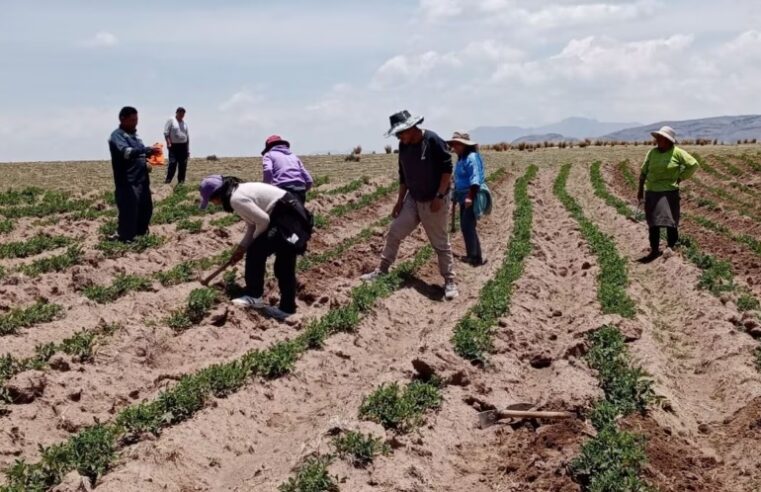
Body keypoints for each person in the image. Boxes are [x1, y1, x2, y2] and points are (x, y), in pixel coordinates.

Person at [361, 110, 458, 300]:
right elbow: (403, 176)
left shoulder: (432, 140)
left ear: (412, 128)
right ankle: (382, 270)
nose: (399, 137)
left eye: (401, 133)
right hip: (413, 199)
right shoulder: (403, 147)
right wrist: (399, 202)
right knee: (395, 232)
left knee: (440, 243)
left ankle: (449, 281)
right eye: (397, 134)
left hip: (434, 200)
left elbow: (447, 169)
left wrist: (439, 196)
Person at [198, 175, 313, 320]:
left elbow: (263, 220)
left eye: (211, 200)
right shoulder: (238, 191)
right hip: (291, 215)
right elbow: (253, 225)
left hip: (286, 218)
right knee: (284, 265)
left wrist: (252, 244)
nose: (213, 204)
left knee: (256, 252)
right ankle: (287, 308)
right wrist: (241, 247)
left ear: (217, 195)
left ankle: (254, 295)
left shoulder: (236, 199)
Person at [637, 126, 699, 262]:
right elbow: (643, 172)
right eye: (658, 138)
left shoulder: (677, 153)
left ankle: (670, 247)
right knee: (653, 222)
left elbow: (693, 164)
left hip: (669, 191)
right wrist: (640, 190)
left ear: (669, 140)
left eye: (661, 138)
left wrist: (681, 177)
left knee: (670, 221)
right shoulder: (652, 153)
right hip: (652, 191)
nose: (658, 140)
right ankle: (654, 250)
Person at [108, 106, 161, 242]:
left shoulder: (135, 136)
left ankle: (140, 235)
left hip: (141, 179)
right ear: (122, 119)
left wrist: (148, 160)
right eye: (132, 120)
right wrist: (146, 150)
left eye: (136, 120)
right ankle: (125, 238)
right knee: (129, 209)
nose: (135, 123)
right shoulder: (117, 136)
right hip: (128, 181)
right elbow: (127, 152)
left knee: (146, 208)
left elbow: (140, 153)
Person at [448, 131, 491, 266]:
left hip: (471, 195)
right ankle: (475, 255)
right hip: (462, 196)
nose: (454, 147)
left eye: (456, 144)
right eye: (453, 144)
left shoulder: (471, 157)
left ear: (463, 145)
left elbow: (475, 180)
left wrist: (470, 198)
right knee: (467, 225)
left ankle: (475, 257)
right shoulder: (461, 158)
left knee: (467, 226)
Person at [261, 135, 313, 204]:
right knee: (298, 214)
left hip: (282, 190)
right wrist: (302, 190)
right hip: (300, 190)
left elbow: (268, 170)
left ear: (268, 147)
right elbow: (309, 180)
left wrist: (266, 188)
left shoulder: (269, 155)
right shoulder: (293, 156)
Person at [164, 107, 190, 184]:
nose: (182, 115)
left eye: (183, 114)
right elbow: (166, 133)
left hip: (183, 146)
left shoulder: (184, 123)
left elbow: (187, 136)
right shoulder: (171, 120)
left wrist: (188, 149)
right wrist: (168, 142)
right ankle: (168, 181)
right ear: (177, 113)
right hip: (173, 146)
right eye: (180, 113)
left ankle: (181, 183)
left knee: (183, 165)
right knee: (173, 163)